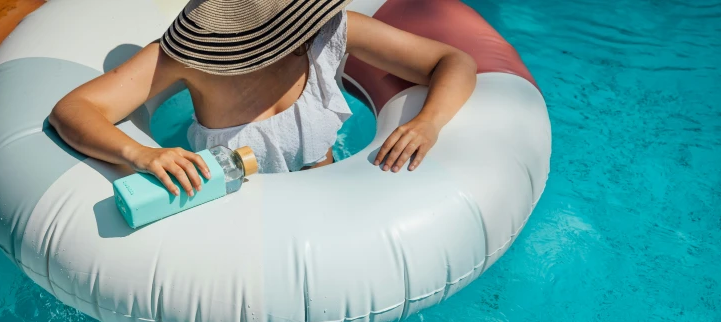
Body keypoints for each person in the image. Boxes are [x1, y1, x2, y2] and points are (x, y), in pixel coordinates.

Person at [49, 0, 477, 197]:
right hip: (235, 206)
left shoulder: (332, 30)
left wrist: (429, 121)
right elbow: (73, 110)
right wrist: (141, 153)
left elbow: (451, 60)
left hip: (320, 192)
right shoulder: (193, 60)